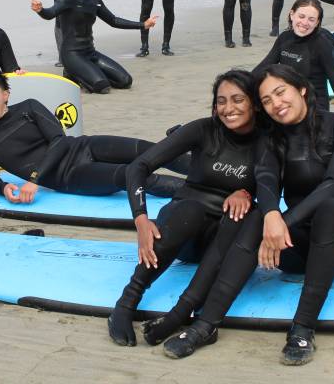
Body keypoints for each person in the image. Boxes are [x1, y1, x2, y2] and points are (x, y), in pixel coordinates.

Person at [158, 65, 334, 366]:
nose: (276, 103)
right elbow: (266, 179)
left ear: (301, 90)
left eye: (280, 92)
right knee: (257, 214)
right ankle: (205, 325)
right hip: (298, 247)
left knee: (331, 209)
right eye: (267, 100)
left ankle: (302, 329)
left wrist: (282, 221)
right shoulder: (274, 138)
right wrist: (271, 212)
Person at [108, 69, 263, 347]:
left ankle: (183, 311)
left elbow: (273, 185)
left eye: (238, 99)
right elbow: (138, 167)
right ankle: (126, 302)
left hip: (222, 244)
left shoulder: (267, 140)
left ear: (253, 101)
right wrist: (141, 220)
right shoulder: (203, 129)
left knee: (244, 215)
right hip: (182, 230)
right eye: (221, 101)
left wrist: (247, 192)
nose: (228, 109)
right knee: (190, 210)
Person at [0, 69, 184, 204]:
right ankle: (202, 192)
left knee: (152, 150)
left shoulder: (29, 107)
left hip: (84, 146)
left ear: (5, 95)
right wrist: (3, 188)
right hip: (71, 176)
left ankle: (210, 174)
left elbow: (59, 140)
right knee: (133, 174)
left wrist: (35, 180)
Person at [32, 0, 155, 93]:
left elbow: (113, 20)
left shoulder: (95, 1)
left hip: (90, 53)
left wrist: (143, 25)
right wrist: (41, 10)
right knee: (102, 86)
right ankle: (71, 71)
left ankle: (83, 72)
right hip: (72, 54)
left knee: (125, 81)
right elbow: (51, 13)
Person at [254, 0, 334, 130]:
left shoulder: (321, 44)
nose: (305, 23)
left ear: (317, 23)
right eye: (301, 16)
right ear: (292, 15)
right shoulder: (284, 38)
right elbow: (263, 67)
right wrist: (239, 84)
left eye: (311, 19)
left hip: (313, 108)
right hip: (288, 102)